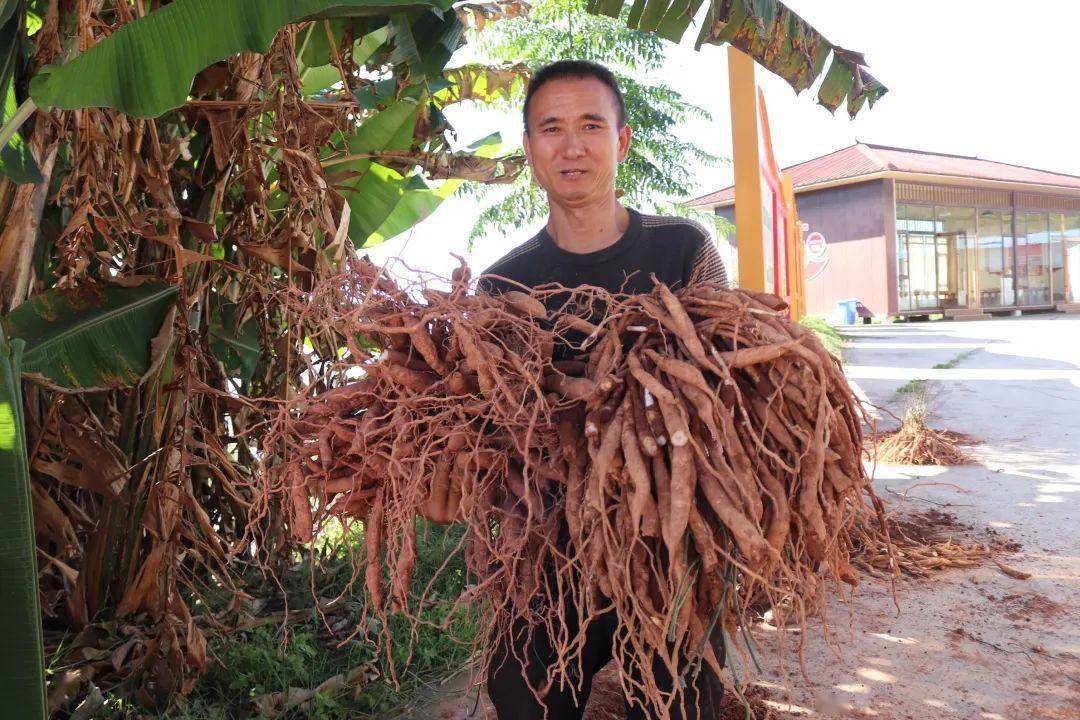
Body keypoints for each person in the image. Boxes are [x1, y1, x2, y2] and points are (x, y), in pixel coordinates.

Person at [478, 59, 729, 720]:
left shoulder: (685, 249)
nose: (571, 145)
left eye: (591, 125)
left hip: (668, 543)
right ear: (530, 147)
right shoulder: (502, 286)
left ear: (620, 141)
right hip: (551, 547)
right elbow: (496, 429)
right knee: (521, 694)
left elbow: (729, 388)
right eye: (550, 128)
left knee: (683, 703)